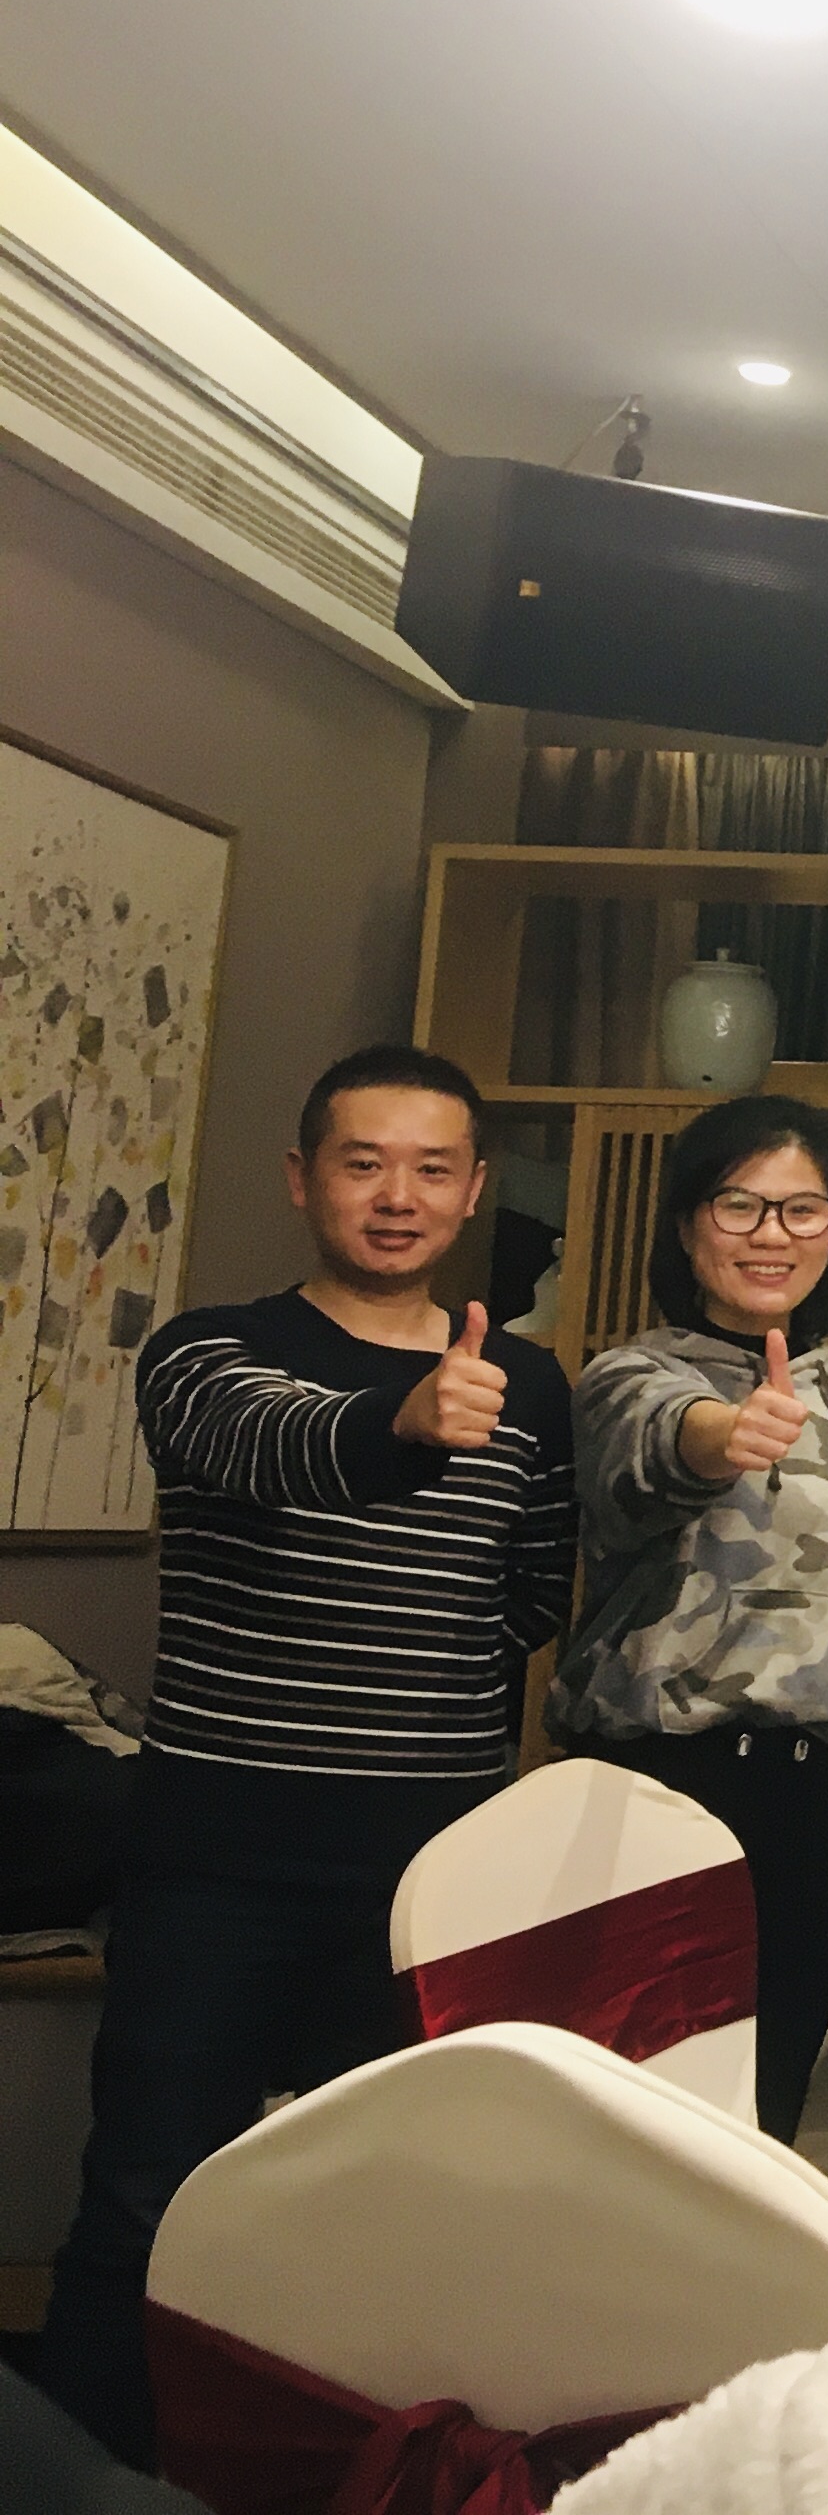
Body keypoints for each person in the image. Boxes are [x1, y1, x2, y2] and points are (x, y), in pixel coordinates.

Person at [38, 1046, 573, 2466]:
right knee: (151, 2201)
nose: (398, 1196)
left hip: (430, 1878)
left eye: (432, 1169)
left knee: (393, 2219)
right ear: (301, 1177)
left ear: (473, 1192)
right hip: (216, 1861)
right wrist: (401, 1423)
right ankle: (85, 2485)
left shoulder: (530, 1385)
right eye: (363, 1162)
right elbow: (276, 1448)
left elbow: (531, 1592)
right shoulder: (205, 1352)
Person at [551, 1093, 828, 2142]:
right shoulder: (629, 1376)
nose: (771, 1235)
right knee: (632, 2114)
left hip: (822, 1806)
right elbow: (666, 1441)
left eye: (803, 1210)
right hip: (663, 1786)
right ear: (685, 1224)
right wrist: (725, 1432)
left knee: (763, 2117)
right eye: (739, 1205)